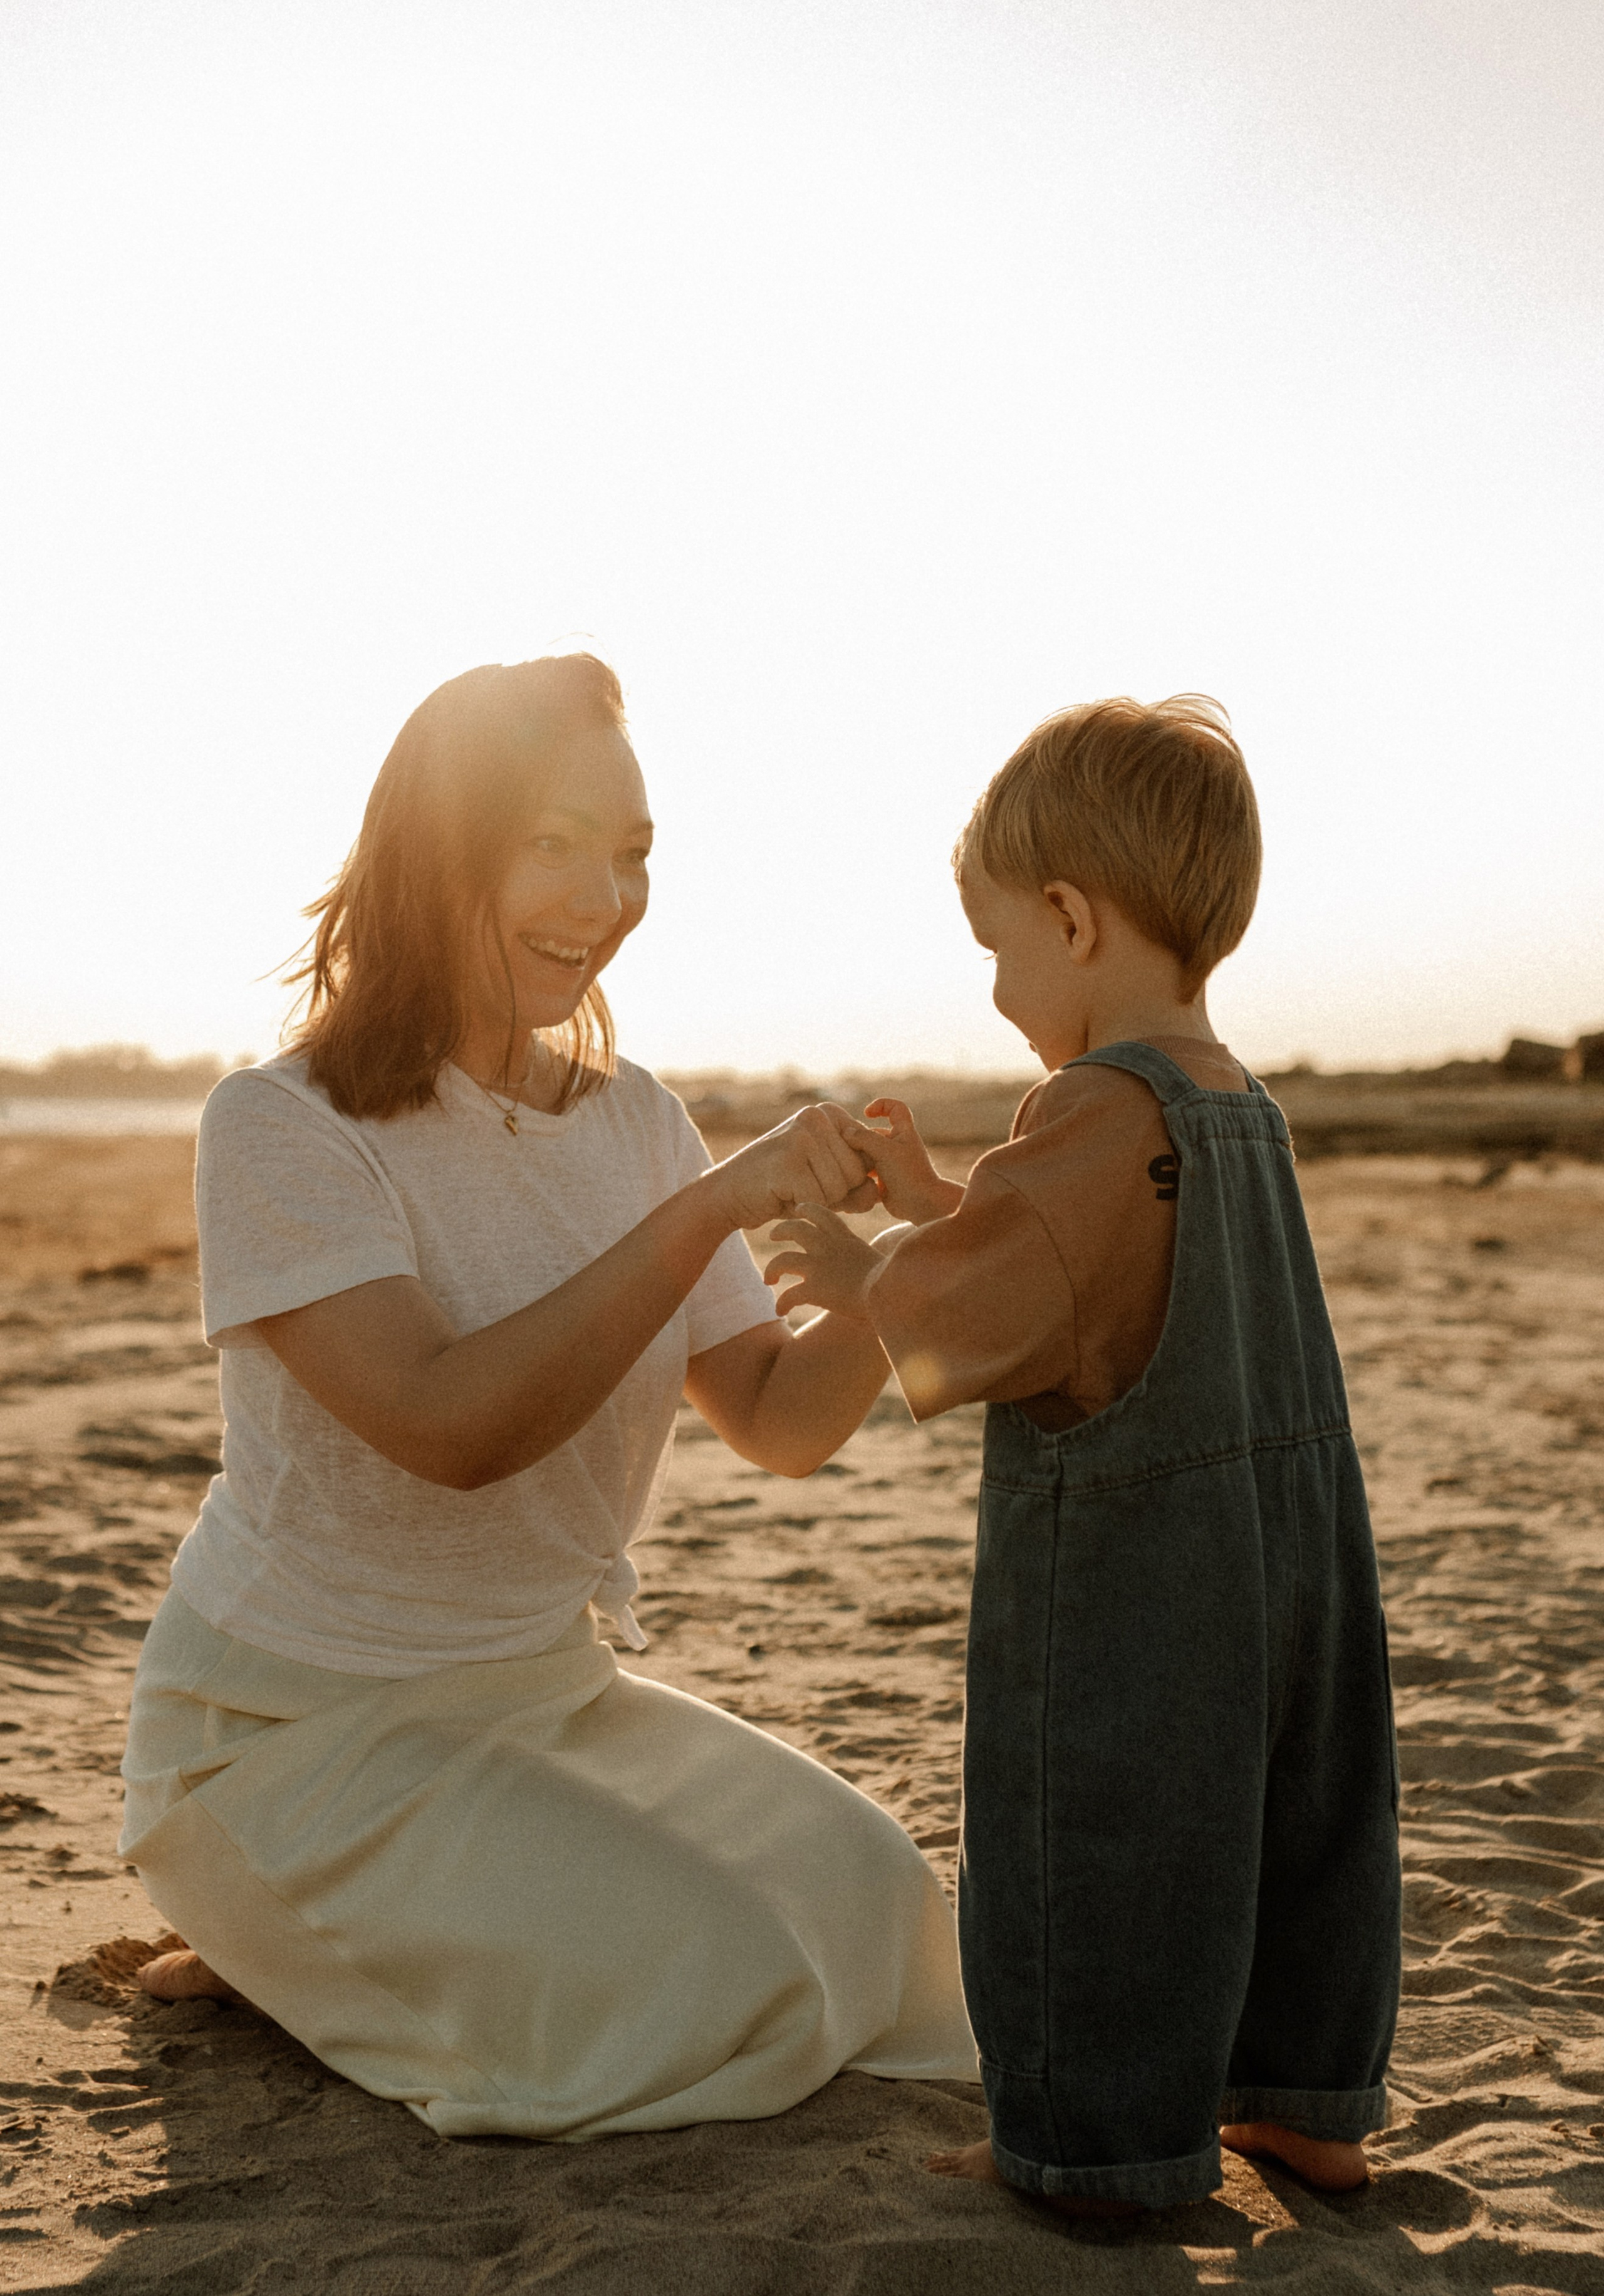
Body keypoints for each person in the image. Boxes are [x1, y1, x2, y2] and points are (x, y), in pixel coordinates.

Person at [121, 652, 977, 2139]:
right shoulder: (280, 1126)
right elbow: (454, 1428)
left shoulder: (636, 1118)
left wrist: (914, 1267)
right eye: (552, 844)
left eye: (632, 853)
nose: (603, 899)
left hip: (539, 1696)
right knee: (720, 1984)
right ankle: (274, 1928)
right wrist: (707, 1210)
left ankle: (328, 1949)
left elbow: (774, 1419)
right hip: (289, 1734)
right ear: (436, 851)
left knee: (888, 1914)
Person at [766, 695, 1402, 2213]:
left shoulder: (1093, 1104)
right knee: (1296, 1824)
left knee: (1098, 1841)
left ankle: (1089, 2147)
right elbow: (1089, 1266)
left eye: (995, 946)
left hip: (1136, 1582)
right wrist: (942, 1198)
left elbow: (1014, 1294)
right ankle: (1308, 2105)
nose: (992, 984)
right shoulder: (1238, 1105)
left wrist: (866, 1282)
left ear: (1067, 917)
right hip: (1294, 1553)